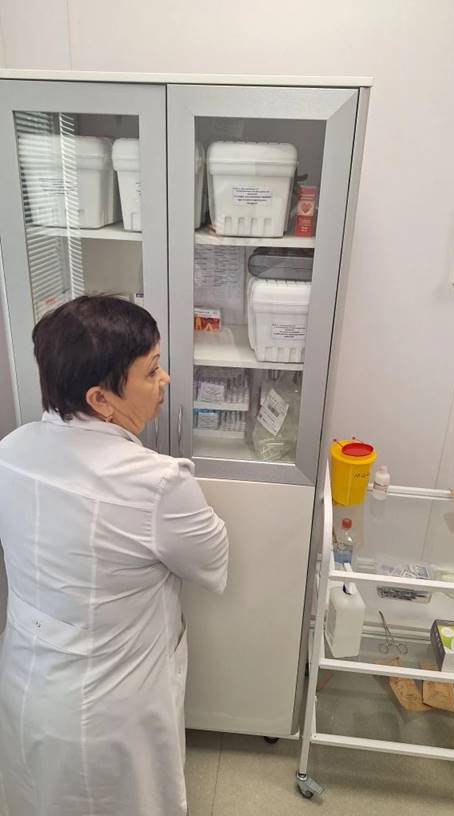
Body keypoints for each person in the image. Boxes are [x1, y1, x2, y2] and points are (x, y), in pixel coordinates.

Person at [0, 295, 229, 816]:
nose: (165, 379)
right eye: (150, 371)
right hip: (107, 711)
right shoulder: (158, 483)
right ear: (101, 400)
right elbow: (213, 561)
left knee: (37, 800)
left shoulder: (9, 452)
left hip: (26, 686)